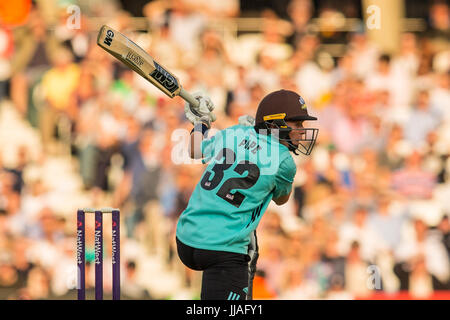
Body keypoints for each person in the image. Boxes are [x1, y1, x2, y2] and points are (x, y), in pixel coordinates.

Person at [176, 89, 319, 300]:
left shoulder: (234, 132)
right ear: (274, 124)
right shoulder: (284, 161)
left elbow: (195, 150)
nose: (302, 130)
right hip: (222, 250)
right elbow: (281, 199)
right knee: (250, 241)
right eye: (297, 124)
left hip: (186, 238)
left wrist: (202, 123)